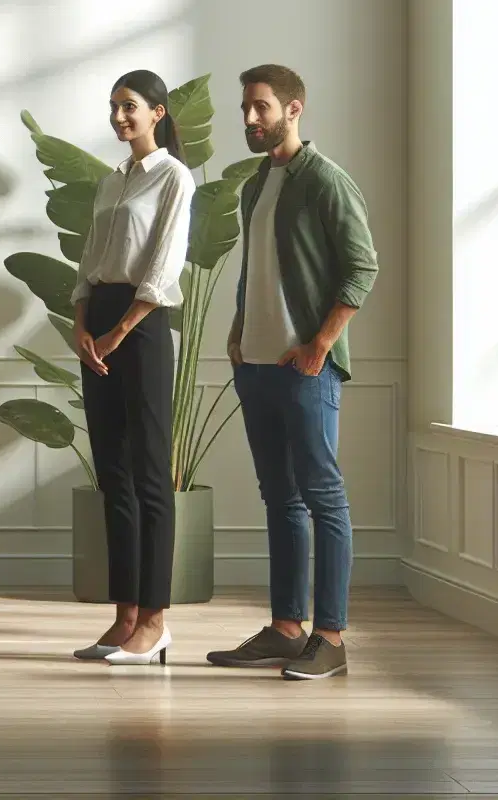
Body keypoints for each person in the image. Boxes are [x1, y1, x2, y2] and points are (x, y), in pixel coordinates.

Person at [208, 64, 377, 681]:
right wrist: (235, 332)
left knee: (323, 498)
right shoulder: (256, 184)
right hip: (254, 366)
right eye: (245, 109)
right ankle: (286, 629)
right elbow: (259, 271)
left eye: (261, 108)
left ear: (293, 109)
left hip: (306, 371)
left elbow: (362, 269)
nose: (250, 120)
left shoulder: (326, 181)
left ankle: (329, 637)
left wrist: (319, 345)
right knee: (280, 499)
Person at [69, 69, 194, 667]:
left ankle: (156, 620)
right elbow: (91, 261)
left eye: (130, 108)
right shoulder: (111, 180)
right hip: (100, 325)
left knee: (148, 475)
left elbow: (163, 263)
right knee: (113, 474)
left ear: (159, 113)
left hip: (142, 330)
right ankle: (124, 618)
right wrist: (82, 326)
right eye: (114, 107)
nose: (119, 118)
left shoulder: (173, 177)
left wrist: (119, 332)